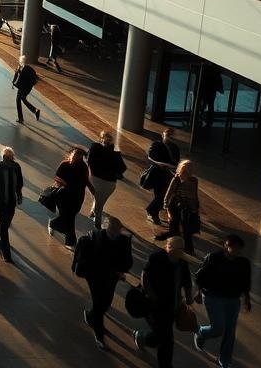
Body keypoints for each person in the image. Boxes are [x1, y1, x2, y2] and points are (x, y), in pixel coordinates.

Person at [194, 234, 252, 368]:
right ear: (227, 247)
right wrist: (198, 292)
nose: (239, 252)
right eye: (236, 248)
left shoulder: (243, 263)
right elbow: (200, 276)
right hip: (212, 297)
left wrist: (247, 298)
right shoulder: (213, 258)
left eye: (240, 249)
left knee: (230, 331)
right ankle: (201, 332)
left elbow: (246, 281)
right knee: (218, 328)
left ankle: (225, 358)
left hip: (233, 299)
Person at [135, 237, 193, 367]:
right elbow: (145, 275)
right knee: (166, 339)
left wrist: (188, 296)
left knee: (161, 336)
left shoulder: (182, 261)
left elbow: (187, 280)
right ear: (169, 248)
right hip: (156, 305)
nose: (181, 252)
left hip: (172, 305)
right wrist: (151, 294)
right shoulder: (156, 258)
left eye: (182, 249)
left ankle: (142, 337)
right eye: (179, 249)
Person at [82, 216, 133, 351]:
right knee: (99, 305)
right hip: (95, 277)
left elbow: (128, 262)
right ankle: (100, 335)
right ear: (107, 230)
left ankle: (90, 315)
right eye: (113, 232)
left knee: (106, 302)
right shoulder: (96, 237)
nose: (115, 234)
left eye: (117, 231)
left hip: (111, 277)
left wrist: (121, 271)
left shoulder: (124, 241)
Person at [50, 147, 94, 248]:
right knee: (69, 218)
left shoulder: (83, 167)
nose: (74, 157)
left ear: (80, 158)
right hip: (63, 195)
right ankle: (71, 242)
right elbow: (56, 177)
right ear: (71, 155)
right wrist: (63, 183)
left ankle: (53, 224)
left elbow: (86, 180)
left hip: (77, 197)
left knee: (69, 216)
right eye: (73, 155)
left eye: (77, 156)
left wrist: (93, 192)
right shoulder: (64, 164)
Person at [0, 146, 23, 262]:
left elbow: (19, 182)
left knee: (6, 222)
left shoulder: (16, 167)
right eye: (8, 157)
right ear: (4, 157)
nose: (10, 159)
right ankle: (6, 254)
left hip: (11, 200)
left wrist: (19, 194)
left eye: (11, 157)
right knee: (5, 226)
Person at [156, 159, 201, 254]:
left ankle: (188, 249)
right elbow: (168, 194)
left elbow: (195, 195)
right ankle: (172, 246)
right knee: (174, 225)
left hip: (188, 206)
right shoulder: (176, 179)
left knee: (186, 228)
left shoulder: (194, 181)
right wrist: (166, 207)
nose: (187, 173)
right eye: (185, 170)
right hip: (175, 205)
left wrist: (196, 207)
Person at [88, 130, 127, 229]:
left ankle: (97, 220)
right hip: (110, 182)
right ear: (112, 142)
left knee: (97, 199)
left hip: (95, 179)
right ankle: (95, 213)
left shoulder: (94, 148)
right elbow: (122, 169)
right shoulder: (115, 154)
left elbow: (89, 161)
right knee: (101, 202)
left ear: (100, 139)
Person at [145, 128, 181, 226]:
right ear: (162, 134)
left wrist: (171, 167)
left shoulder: (175, 148)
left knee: (162, 195)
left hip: (168, 174)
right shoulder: (156, 144)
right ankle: (152, 211)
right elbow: (150, 157)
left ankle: (153, 212)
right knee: (160, 195)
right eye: (167, 133)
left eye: (171, 134)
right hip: (157, 173)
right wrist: (160, 164)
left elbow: (176, 162)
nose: (169, 135)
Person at [12, 56, 40, 123]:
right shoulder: (29, 68)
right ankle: (35, 110)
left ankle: (20, 118)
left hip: (22, 87)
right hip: (28, 88)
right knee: (23, 99)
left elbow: (16, 78)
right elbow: (36, 78)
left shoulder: (21, 68)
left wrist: (13, 83)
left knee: (18, 100)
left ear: (21, 61)